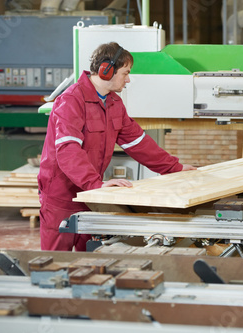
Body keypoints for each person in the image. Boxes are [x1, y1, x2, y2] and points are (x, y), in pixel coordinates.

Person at [37, 42, 196, 251]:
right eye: (125, 73)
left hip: (91, 196)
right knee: (55, 263)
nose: (128, 80)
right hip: (62, 197)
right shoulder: (71, 101)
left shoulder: (113, 103)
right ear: (106, 70)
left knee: (91, 259)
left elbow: (137, 141)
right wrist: (95, 184)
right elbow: (68, 151)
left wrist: (174, 167)